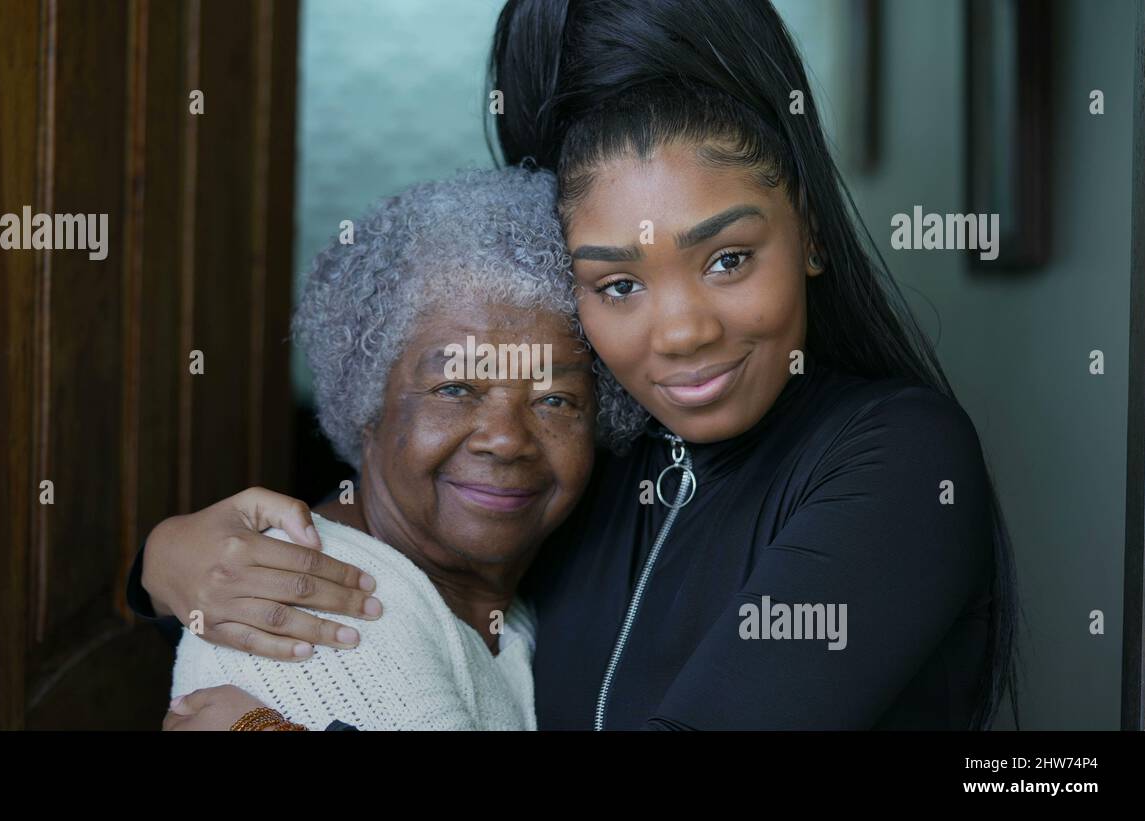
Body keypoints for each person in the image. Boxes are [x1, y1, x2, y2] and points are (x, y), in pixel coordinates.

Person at [140, 0, 1019, 730]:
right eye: (618, 282)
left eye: (726, 259)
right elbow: (388, 549)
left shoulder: (900, 461)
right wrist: (158, 566)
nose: (679, 332)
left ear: (812, 232)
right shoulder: (581, 464)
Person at [165, 167, 597, 730]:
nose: (507, 439)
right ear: (366, 400)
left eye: (556, 399)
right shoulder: (319, 608)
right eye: (456, 389)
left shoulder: (515, 596)